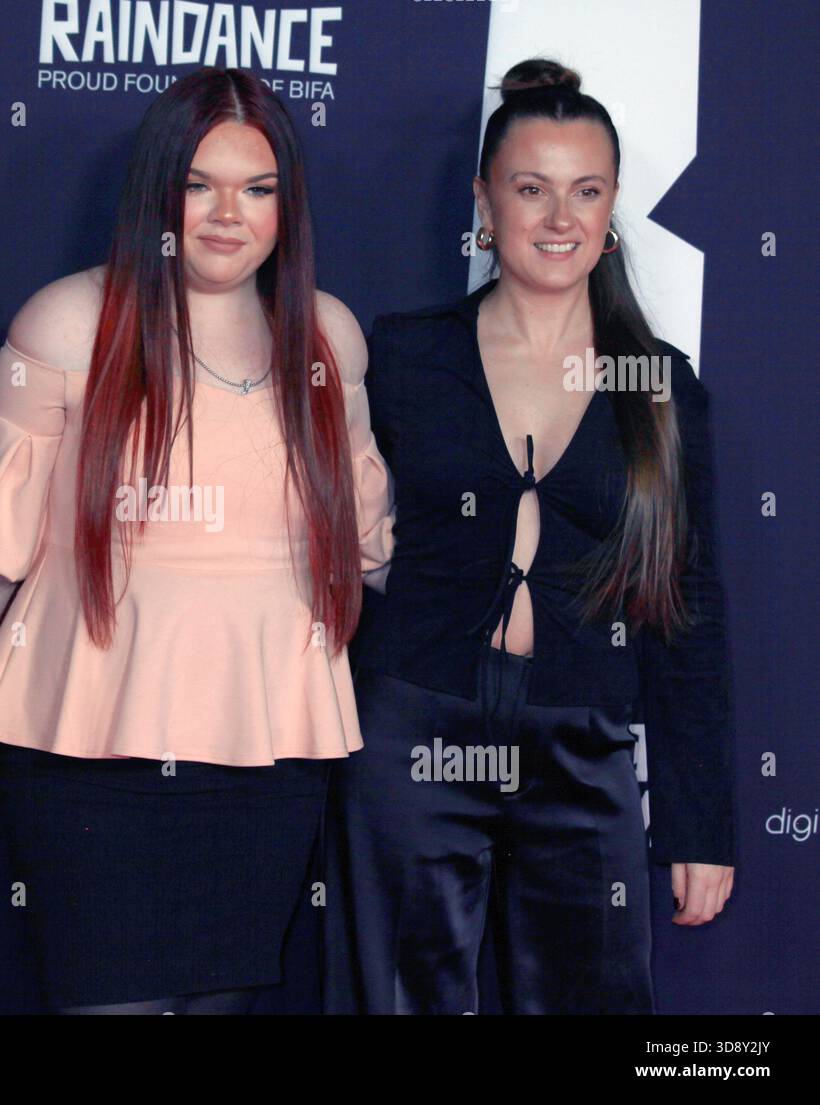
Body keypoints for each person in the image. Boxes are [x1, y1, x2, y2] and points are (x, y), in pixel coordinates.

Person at [0, 67, 393, 1014]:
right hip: (90, 758)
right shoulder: (68, 323)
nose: (228, 215)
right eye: (199, 184)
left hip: (266, 758)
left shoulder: (329, 339)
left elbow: (361, 543)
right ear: (156, 189)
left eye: (259, 188)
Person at [324, 59, 736, 1014]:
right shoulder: (407, 355)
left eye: (586, 191)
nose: (560, 217)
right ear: (485, 199)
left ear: (613, 205)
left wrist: (698, 822)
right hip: (412, 728)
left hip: (580, 738)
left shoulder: (659, 387)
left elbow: (692, 612)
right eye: (531, 188)